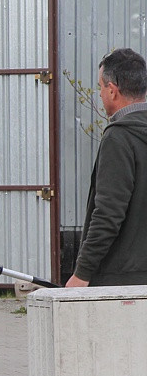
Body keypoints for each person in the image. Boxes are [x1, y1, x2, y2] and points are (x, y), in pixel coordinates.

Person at [66, 48, 147, 287]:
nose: (99, 94)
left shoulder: (119, 138)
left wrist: (81, 275)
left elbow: (108, 214)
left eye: (100, 87)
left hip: (121, 281)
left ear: (112, 90)